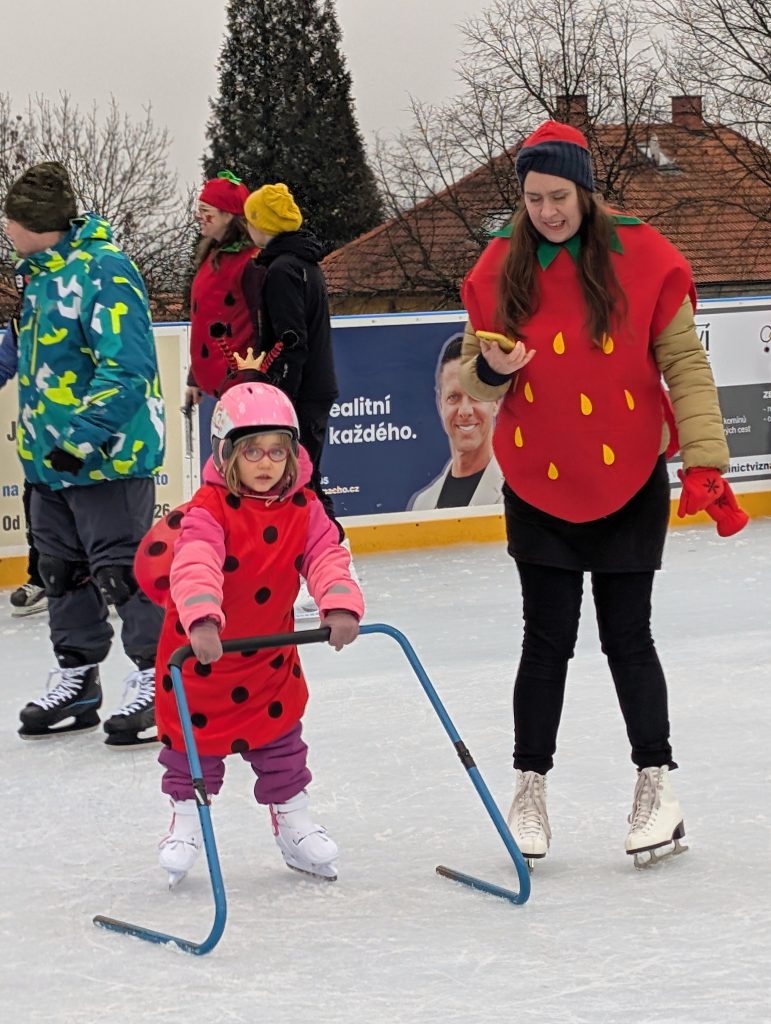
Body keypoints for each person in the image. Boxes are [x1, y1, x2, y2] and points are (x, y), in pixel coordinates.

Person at [458, 120, 748, 867]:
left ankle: (656, 785)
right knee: (545, 640)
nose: (547, 211)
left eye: (559, 196)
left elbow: (683, 363)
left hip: (629, 477)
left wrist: (705, 459)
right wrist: (493, 369)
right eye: (534, 199)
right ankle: (529, 789)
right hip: (537, 480)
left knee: (628, 637)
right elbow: (473, 382)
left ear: (584, 191)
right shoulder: (499, 266)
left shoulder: (643, 256)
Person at [136, 382, 363, 885]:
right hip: (202, 655)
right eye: (252, 451)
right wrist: (201, 618)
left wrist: (339, 603)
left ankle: (293, 820)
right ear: (227, 454)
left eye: (278, 451)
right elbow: (196, 562)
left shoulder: (304, 507)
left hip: (266, 660)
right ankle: (186, 821)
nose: (267, 463)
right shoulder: (209, 508)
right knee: (192, 750)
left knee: (281, 744)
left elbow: (326, 556)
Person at [3, 160, 166, 746]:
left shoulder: (105, 270)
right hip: (49, 462)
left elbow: (128, 367)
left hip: (105, 458)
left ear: (33, 223)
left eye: (9, 221)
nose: (6, 230)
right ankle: (78, 680)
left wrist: (81, 438)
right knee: (60, 572)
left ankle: (157, 680)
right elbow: (20, 351)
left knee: (124, 573)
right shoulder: (38, 276)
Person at [243, 182, 352, 619]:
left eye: (250, 219)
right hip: (310, 390)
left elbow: (292, 342)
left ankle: (337, 567)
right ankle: (332, 567)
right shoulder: (302, 264)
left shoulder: (283, 270)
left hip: (300, 394)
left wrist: (279, 398)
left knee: (303, 483)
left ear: (262, 225)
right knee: (304, 481)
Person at [186, 170, 261, 404]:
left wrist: (253, 378)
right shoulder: (212, 256)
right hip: (217, 384)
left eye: (205, 211)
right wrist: (194, 377)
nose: (198, 216)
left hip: (242, 386)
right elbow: (204, 321)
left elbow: (262, 325)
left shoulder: (251, 262)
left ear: (227, 215)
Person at [408, 333, 504, 510]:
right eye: (453, 397)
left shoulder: (518, 493)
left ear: (496, 401)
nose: (465, 411)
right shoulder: (422, 505)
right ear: (440, 404)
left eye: (476, 394)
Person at [0, 316, 47, 615]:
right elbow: (4, 365)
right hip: (41, 443)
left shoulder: (89, 303)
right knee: (39, 517)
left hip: (87, 436)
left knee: (97, 519)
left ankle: (104, 576)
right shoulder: (22, 321)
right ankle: (43, 579)